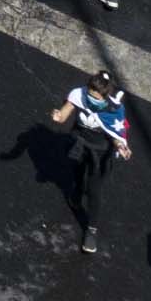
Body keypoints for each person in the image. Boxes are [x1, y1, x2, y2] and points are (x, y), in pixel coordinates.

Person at [52, 74, 132, 252]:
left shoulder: (114, 110)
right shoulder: (78, 95)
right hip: (79, 145)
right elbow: (65, 113)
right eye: (90, 94)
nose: (91, 100)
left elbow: (115, 134)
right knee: (78, 175)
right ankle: (76, 194)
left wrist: (121, 147)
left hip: (100, 153)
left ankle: (91, 230)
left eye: (96, 98)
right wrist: (59, 116)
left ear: (105, 96)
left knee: (94, 190)